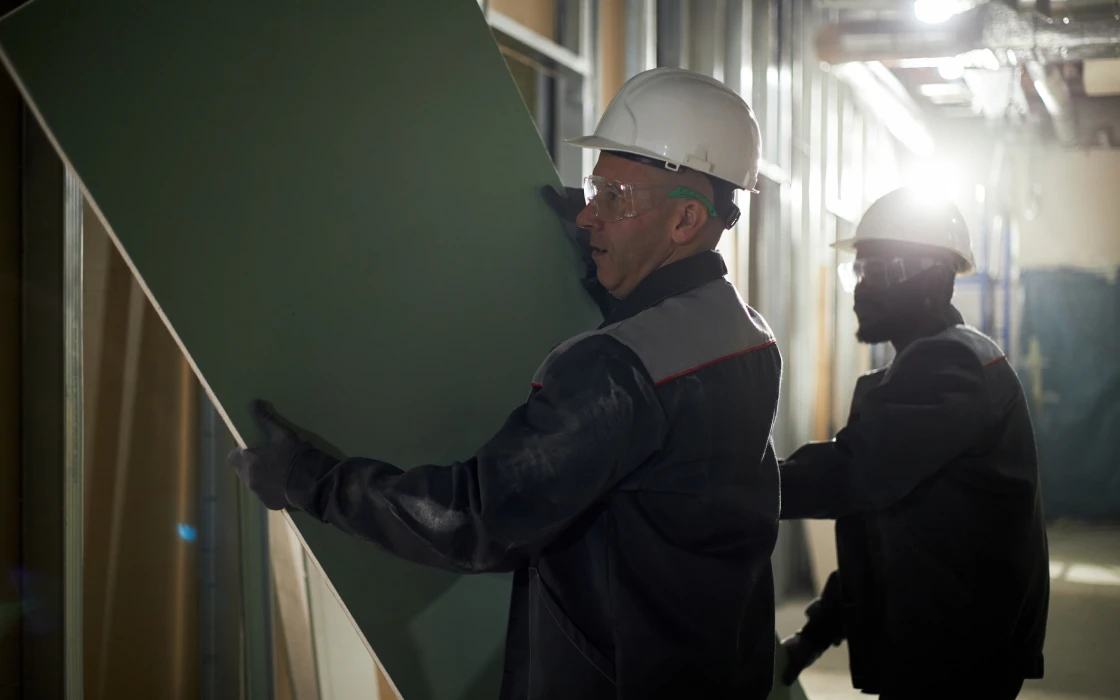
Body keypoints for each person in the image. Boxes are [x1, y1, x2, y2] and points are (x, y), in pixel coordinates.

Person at [230, 67, 784, 700]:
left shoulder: (613, 370)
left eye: (614, 197)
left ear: (686, 221)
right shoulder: (747, 336)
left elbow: (474, 518)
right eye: (591, 189)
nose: (586, 217)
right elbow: (658, 378)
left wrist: (308, 479)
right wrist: (599, 259)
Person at [777, 188, 1050, 699]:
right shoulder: (919, 373)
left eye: (879, 272)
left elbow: (853, 475)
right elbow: (886, 542)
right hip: (937, 646)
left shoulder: (951, 369)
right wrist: (813, 637)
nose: (860, 290)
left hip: (957, 660)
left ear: (933, 281)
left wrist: (730, 483)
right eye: (857, 272)